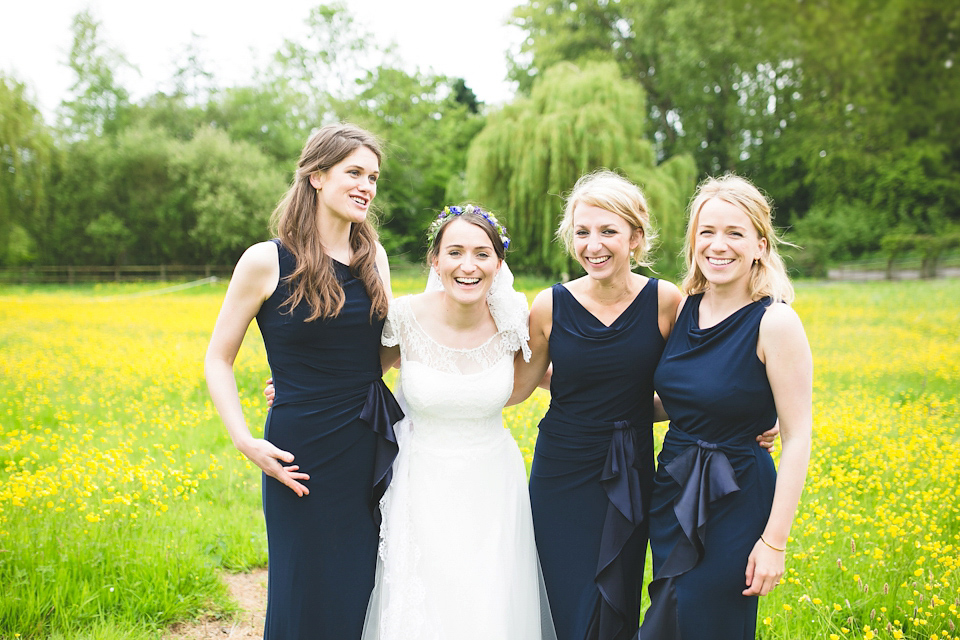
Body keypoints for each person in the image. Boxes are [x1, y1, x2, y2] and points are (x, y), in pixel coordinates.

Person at [509, 171, 779, 640]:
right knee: (561, 592)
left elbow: (695, 382)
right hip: (562, 467)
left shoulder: (667, 302)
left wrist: (755, 416)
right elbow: (517, 387)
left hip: (631, 466)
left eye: (608, 231)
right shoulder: (549, 305)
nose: (594, 244)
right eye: (582, 232)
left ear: (635, 237)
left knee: (619, 591)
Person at [204, 123, 402, 640]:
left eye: (373, 177)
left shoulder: (372, 258)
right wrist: (246, 441)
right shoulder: (265, 260)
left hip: (367, 439)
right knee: (302, 588)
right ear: (316, 175)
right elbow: (218, 359)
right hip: (300, 451)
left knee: (361, 585)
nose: (366, 186)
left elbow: (378, 354)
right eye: (354, 172)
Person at [360, 205, 556, 640]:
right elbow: (360, 371)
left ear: (498, 264)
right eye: (455, 252)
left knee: (487, 600)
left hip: (492, 485)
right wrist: (299, 384)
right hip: (420, 481)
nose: (468, 266)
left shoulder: (513, 322)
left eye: (482, 254)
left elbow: (544, 377)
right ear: (435, 261)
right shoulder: (405, 316)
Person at [638, 175, 812, 639]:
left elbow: (798, 438)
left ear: (760, 245)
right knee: (670, 610)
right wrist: (578, 390)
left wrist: (774, 542)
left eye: (734, 233)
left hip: (736, 493)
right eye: (707, 232)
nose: (719, 245)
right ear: (693, 241)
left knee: (704, 619)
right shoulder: (682, 310)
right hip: (673, 485)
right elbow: (673, 403)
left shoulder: (775, 322)